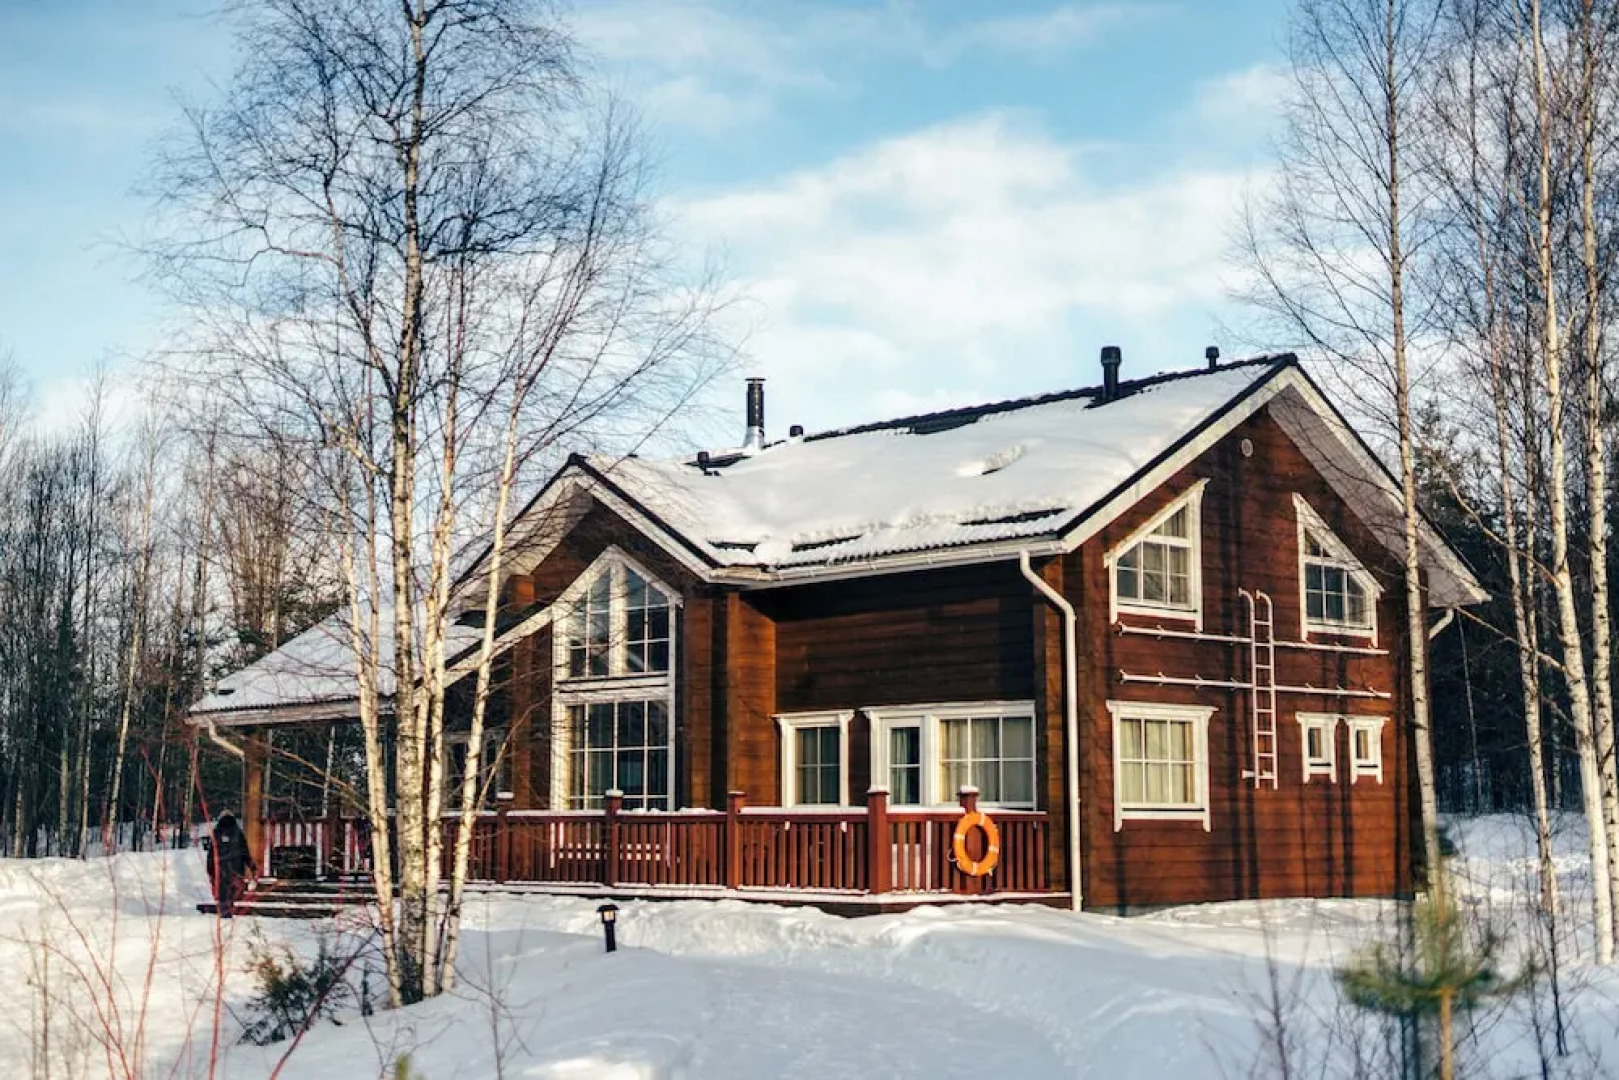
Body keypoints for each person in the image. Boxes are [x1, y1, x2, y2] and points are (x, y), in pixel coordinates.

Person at [207, 811, 257, 918]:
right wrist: (252, 866)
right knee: (233, 890)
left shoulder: (216, 832)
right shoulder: (238, 833)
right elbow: (245, 852)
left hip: (220, 867)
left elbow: (212, 853)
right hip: (236, 867)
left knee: (222, 891)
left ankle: (225, 912)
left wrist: (210, 870)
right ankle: (231, 909)